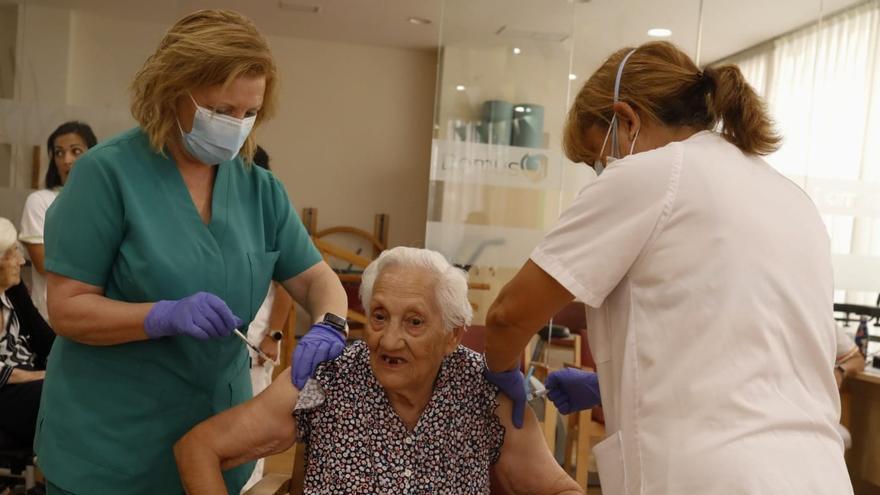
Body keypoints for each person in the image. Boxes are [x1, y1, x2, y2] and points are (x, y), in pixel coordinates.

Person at [482, 41, 852, 494]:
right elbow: (747, 352)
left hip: (711, 477)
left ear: (628, 118)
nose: (602, 172)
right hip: (819, 473)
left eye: (598, 158)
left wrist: (504, 376)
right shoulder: (792, 199)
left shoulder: (651, 175)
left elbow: (507, 315)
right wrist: (609, 385)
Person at [36, 10, 347, 494]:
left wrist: (330, 324)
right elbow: (67, 308)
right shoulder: (106, 175)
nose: (237, 125)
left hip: (215, 443)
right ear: (174, 90)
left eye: (249, 114)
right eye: (223, 111)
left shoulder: (258, 189)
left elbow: (314, 279)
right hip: (110, 444)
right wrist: (160, 316)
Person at [174, 247, 583, 495]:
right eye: (380, 317)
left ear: (453, 335)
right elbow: (199, 449)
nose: (389, 341)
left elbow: (557, 487)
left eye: (415, 322)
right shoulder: (326, 380)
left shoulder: (484, 392)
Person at [241, 145, 295, 492]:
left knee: (250, 434)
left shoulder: (269, 217)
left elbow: (288, 285)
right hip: (215, 348)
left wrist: (273, 335)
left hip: (256, 348)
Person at [19, 121, 98, 320]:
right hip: (49, 317)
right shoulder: (40, 201)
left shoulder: (103, 202)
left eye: (76, 151)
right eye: (59, 153)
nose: (66, 160)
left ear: (93, 153)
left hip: (95, 313)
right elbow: (44, 264)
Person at [0, 218, 54, 450]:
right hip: (7, 391)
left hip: (32, 381)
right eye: (13, 254)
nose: (22, 261)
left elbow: (45, 339)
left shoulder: (12, 290)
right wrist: (43, 376)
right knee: (59, 395)